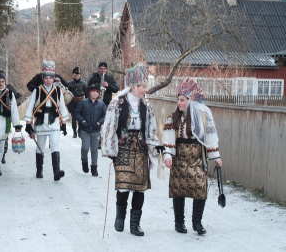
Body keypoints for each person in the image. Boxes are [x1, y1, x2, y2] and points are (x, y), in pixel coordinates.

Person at [101, 63, 164, 236]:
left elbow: (151, 128)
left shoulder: (147, 106)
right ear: (134, 87)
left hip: (140, 149)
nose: (146, 90)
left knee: (139, 187)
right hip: (123, 147)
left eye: (145, 86)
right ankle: (120, 216)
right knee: (123, 185)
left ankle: (135, 224)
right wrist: (111, 150)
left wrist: (155, 147)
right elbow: (109, 127)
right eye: (143, 87)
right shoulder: (118, 103)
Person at [161, 78, 223, 235]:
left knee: (200, 188)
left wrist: (216, 156)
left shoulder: (202, 117)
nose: (179, 103)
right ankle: (179, 222)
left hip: (197, 159)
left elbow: (210, 137)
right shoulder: (173, 118)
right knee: (179, 190)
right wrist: (167, 155)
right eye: (178, 100)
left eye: (182, 100)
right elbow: (167, 137)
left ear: (190, 100)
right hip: (179, 159)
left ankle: (197, 223)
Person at [24, 58, 69, 181]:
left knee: (55, 146)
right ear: (43, 78)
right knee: (40, 147)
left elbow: (62, 107)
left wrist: (63, 123)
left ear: (54, 78)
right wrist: (28, 124)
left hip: (54, 122)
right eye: (46, 78)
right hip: (40, 123)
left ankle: (56, 171)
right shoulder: (37, 90)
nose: (48, 80)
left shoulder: (58, 90)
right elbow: (29, 108)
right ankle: (39, 169)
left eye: (51, 78)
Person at [74, 83, 106, 176]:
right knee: (85, 147)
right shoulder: (83, 103)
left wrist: (99, 122)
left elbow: (105, 115)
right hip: (85, 129)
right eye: (93, 92)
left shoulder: (101, 104)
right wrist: (82, 121)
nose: (95, 94)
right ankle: (84, 161)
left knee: (94, 149)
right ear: (89, 93)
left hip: (96, 130)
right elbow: (77, 113)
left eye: (97, 92)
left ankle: (94, 167)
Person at [67, 67, 87, 138]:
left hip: (81, 103)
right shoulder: (69, 83)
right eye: (75, 75)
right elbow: (67, 94)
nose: (76, 76)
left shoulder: (84, 83)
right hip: (73, 102)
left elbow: (86, 94)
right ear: (73, 75)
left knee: (81, 118)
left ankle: (79, 131)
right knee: (74, 118)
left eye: (78, 75)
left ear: (80, 75)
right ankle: (74, 131)